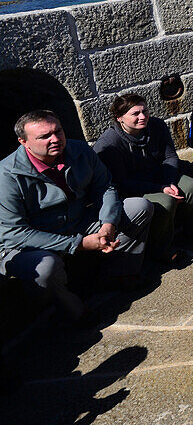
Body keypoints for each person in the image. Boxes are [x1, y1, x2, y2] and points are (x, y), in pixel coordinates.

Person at [0, 110, 152, 323]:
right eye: (44, 136)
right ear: (23, 142)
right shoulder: (7, 175)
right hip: (32, 242)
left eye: (58, 131)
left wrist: (109, 223)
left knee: (139, 206)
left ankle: (117, 274)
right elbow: (13, 233)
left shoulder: (78, 150)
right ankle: (68, 309)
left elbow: (105, 186)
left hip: (77, 221)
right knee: (45, 268)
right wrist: (78, 244)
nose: (55, 139)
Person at [93, 93, 193, 263]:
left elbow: (170, 157)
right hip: (134, 186)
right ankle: (161, 250)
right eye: (135, 114)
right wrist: (160, 189)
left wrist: (168, 182)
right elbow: (121, 182)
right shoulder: (110, 143)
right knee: (165, 202)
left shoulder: (157, 126)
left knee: (192, 188)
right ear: (120, 118)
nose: (142, 117)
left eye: (145, 111)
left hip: (160, 175)